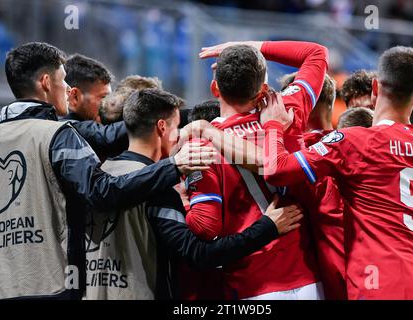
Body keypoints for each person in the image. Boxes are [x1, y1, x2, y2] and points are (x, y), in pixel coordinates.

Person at [0, 42, 213, 300]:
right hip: (53, 287)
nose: (67, 89)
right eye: (63, 80)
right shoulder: (58, 135)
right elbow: (102, 193)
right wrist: (174, 167)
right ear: (46, 82)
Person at [261, 46, 413, 299]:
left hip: (380, 287)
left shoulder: (354, 142)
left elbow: (276, 169)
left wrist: (273, 125)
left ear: (375, 89)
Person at [85, 88, 302, 299]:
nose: (181, 136)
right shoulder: (159, 189)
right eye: (178, 127)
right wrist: (266, 228)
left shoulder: (98, 175)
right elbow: (199, 254)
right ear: (162, 128)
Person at [185, 40, 328, 300]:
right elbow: (316, 53)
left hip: (253, 285)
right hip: (309, 280)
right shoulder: (287, 110)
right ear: (263, 90)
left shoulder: (201, 143)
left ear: (214, 88)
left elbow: (205, 226)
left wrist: (181, 198)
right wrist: (251, 46)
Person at [64, 54, 113, 122]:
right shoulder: (68, 131)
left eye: (110, 97)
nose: (110, 104)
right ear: (75, 97)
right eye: (104, 97)